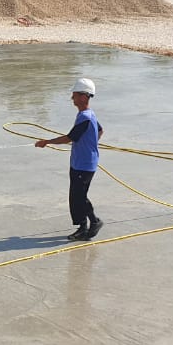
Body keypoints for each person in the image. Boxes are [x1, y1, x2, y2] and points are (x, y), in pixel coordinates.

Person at [35, 78, 104, 241]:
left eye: (75, 95)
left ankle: (94, 222)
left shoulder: (85, 117)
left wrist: (47, 142)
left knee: (79, 196)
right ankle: (84, 227)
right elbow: (100, 131)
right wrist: (89, 143)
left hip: (84, 164)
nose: (72, 98)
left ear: (84, 96)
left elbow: (69, 138)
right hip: (81, 162)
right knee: (77, 196)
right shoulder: (89, 114)